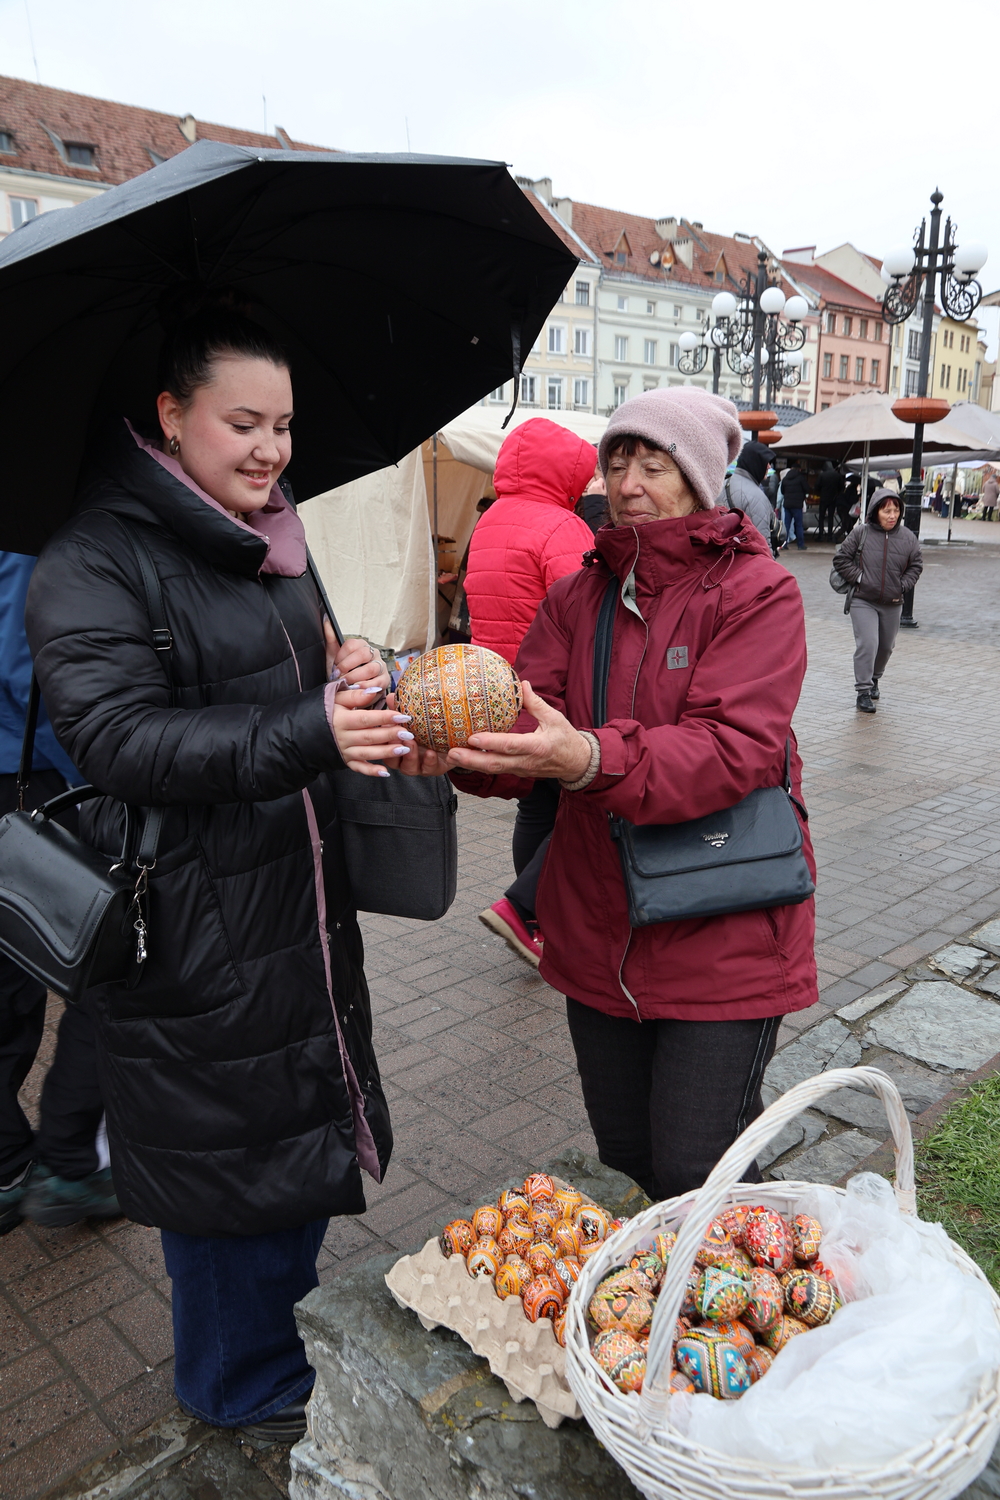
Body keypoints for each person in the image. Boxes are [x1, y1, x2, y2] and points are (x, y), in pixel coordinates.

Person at [24, 293, 407, 1442]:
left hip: (293, 908)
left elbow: (298, 684)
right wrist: (309, 726)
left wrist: (347, 664)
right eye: (243, 423)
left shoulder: (272, 542)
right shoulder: (92, 559)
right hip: (193, 933)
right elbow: (119, 740)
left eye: (282, 425)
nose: (271, 449)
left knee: (293, 1154)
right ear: (170, 413)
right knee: (229, 1180)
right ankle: (234, 1401)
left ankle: (267, 1367)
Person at [401, 388, 818, 1201]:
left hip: (722, 927)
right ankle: (669, 1284)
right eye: (618, 462)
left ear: (699, 477)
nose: (628, 484)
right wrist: (459, 749)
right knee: (627, 1154)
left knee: (700, 1167)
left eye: (653, 465)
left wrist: (588, 756)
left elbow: (730, 748)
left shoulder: (759, 592)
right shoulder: (579, 594)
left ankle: (762, 1279)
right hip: (600, 926)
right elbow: (532, 720)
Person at [0, 552, 121, 1234]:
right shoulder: (29, 531)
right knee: (100, 967)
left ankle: (9, 1164)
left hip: (21, 771)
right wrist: (102, 772)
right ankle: (69, 1162)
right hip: (36, 778)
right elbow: (30, 672)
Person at [464, 418, 596, 967]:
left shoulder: (491, 518)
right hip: (552, 687)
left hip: (497, 684)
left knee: (537, 804)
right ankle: (529, 912)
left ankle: (534, 921)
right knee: (574, 806)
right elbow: (585, 610)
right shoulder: (562, 526)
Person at [832, 489, 923, 714]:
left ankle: (874, 678)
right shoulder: (861, 532)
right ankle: (863, 691)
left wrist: (902, 585)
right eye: (886, 511)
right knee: (868, 644)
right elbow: (841, 559)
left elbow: (916, 565)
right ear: (875, 512)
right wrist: (860, 578)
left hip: (893, 601)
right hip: (863, 599)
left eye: (896, 510)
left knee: (886, 647)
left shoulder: (908, 538)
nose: (892, 515)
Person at [718, 441, 779, 554]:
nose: (769, 466)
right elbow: (763, 546)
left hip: (720, 558)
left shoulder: (720, 486)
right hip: (743, 561)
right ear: (755, 462)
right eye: (765, 462)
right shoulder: (756, 497)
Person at [780, 460, 809, 550]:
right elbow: (807, 489)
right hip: (797, 505)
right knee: (798, 525)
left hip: (787, 504)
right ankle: (800, 545)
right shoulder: (801, 478)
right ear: (799, 469)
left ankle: (784, 544)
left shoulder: (785, 478)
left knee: (786, 525)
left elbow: (782, 491)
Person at [816, 462, 845, 543]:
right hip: (833, 498)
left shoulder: (822, 475)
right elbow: (841, 487)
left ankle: (820, 535)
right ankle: (829, 536)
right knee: (830, 517)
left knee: (821, 517)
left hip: (823, 498)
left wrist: (821, 491)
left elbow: (817, 486)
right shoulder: (837, 475)